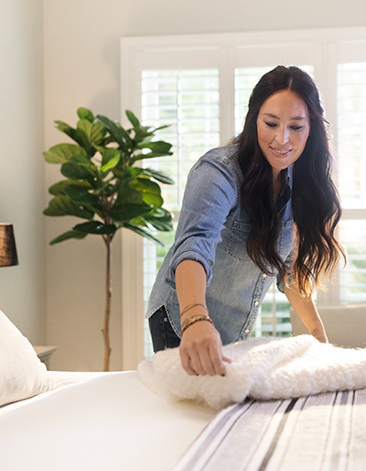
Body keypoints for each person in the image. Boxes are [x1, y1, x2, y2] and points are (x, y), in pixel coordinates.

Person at [146, 65, 344, 377]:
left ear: (312, 129)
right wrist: (196, 319)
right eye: (271, 123)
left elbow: (287, 270)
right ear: (253, 120)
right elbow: (194, 245)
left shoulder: (294, 179)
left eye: (296, 127)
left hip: (232, 326)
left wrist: (319, 335)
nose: (282, 139)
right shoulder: (218, 171)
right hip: (183, 317)